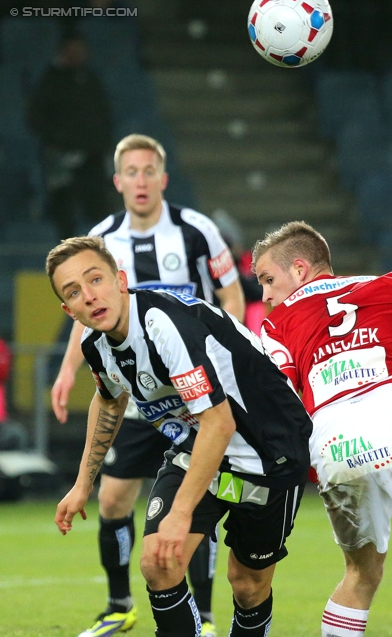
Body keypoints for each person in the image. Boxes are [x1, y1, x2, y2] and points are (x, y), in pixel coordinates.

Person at [45, 235, 313, 637]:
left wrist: (182, 513)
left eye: (95, 279)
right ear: (69, 310)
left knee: (247, 585)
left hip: (269, 450)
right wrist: (83, 484)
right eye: (74, 292)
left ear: (120, 279)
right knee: (158, 561)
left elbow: (221, 422)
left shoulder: (162, 325)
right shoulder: (94, 343)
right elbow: (110, 400)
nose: (89, 296)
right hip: (199, 443)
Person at [50, 134, 245, 637]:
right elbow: (85, 314)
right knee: (113, 500)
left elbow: (231, 295)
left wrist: (228, 362)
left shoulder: (196, 230)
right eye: (130, 172)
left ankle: (202, 615)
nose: (140, 180)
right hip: (141, 398)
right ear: (118, 182)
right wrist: (70, 369)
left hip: (199, 395)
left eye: (148, 171)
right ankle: (119, 605)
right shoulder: (101, 239)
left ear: (163, 177)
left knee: (199, 503)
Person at [252, 220, 392, 637]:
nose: (266, 295)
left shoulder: (275, 327)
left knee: (361, 574)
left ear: (299, 269)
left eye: (268, 280)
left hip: (333, 447)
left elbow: (278, 405)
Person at [27, 32, 113, 239]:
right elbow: (36, 118)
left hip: (92, 155)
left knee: (99, 209)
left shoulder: (91, 79)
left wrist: (102, 145)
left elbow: (104, 115)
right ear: (63, 52)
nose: (77, 55)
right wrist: (60, 141)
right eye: (72, 51)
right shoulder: (50, 79)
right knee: (63, 210)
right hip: (61, 156)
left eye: (80, 51)